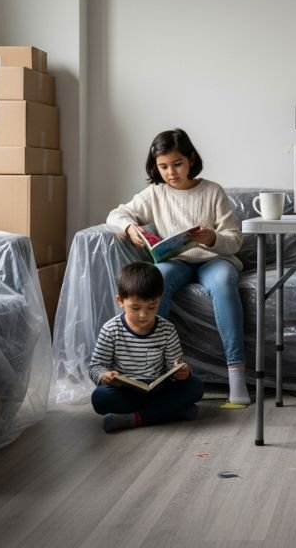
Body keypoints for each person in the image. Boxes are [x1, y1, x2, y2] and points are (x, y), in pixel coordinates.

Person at [107, 128, 251, 405]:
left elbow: (234, 240)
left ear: (191, 160)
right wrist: (129, 227)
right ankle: (151, 371)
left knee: (222, 284)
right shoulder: (155, 193)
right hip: (176, 261)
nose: (171, 172)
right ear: (155, 166)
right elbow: (117, 213)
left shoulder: (212, 191)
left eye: (177, 164)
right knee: (156, 279)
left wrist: (213, 238)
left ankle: (236, 376)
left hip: (215, 260)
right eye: (163, 166)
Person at [89, 262, 205, 433]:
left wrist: (182, 373)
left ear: (160, 298)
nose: (143, 315)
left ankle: (135, 418)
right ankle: (170, 411)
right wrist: (104, 376)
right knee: (100, 398)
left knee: (195, 386)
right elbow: (95, 366)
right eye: (135, 308)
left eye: (152, 307)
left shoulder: (166, 329)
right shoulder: (111, 329)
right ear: (120, 301)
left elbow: (175, 366)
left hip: (159, 390)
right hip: (127, 392)